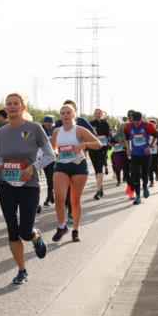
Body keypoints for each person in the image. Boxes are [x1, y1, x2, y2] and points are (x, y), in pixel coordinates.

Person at [0, 93, 53, 285]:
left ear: (23, 107)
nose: (11, 107)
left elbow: (50, 156)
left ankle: (35, 236)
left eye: (15, 104)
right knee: (12, 231)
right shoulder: (1, 132)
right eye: (8, 104)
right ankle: (22, 270)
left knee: (25, 231)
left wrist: (33, 167)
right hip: (7, 185)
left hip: (29, 185)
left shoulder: (34, 128)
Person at [51, 103, 102, 242]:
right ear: (60, 116)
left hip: (78, 166)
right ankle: (61, 227)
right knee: (59, 197)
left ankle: (75, 229)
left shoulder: (79, 130)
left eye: (68, 112)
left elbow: (98, 144)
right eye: (63, 113)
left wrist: (83, 145)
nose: (65, 115)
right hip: (61, 165)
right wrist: (56, 151)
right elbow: (53, 147)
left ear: (74, 115)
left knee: (75, 200)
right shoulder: (56, 131)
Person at [124, 111, 157, 205]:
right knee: (135, 175)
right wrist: (128, 148)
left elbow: (156, 136)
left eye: (138, 122)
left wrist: (150, 146)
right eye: (135, 122)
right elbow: (127, 137)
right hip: (135, 155)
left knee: (145, 173)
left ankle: (145, 186)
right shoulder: (128, 126)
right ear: (132, 120)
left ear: (141, 119)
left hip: (145, 154)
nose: (137, 124)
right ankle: (138, 196)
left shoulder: (148, 125)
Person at [89, 108, 112, 199]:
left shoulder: (105, 123)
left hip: (102, 148)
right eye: (96, 113)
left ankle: (98, 191)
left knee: (99, 169)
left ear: (102, 114)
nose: (98, 114)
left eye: (99, 113)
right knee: (96, 170)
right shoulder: (91, 124)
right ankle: (101, 189)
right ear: (94, 114)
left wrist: (109, 140)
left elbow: (109, 135)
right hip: (93, 149)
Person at [40, 115, 57, 208]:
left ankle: (48, 198)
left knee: (50, 178)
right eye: (47, 122)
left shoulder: (56, 130)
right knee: (48, 178)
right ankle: (51, 196)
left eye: (51, 123)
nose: (49, 124)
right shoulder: (41, 130)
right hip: (43, 157)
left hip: (54, 157)